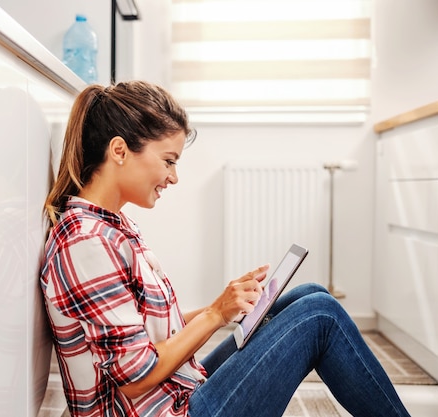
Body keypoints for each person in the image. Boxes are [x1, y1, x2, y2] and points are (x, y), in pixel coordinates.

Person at [39, 80, 411, 417]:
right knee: (321, 315)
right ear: (119, 150)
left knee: (306, 295)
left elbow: (143, 332)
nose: (173, 176)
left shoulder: (108, 226)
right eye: (168, 161)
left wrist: (228, 306)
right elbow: (135, 378)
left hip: (178, 394)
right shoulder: (87, 243)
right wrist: (216, 314)